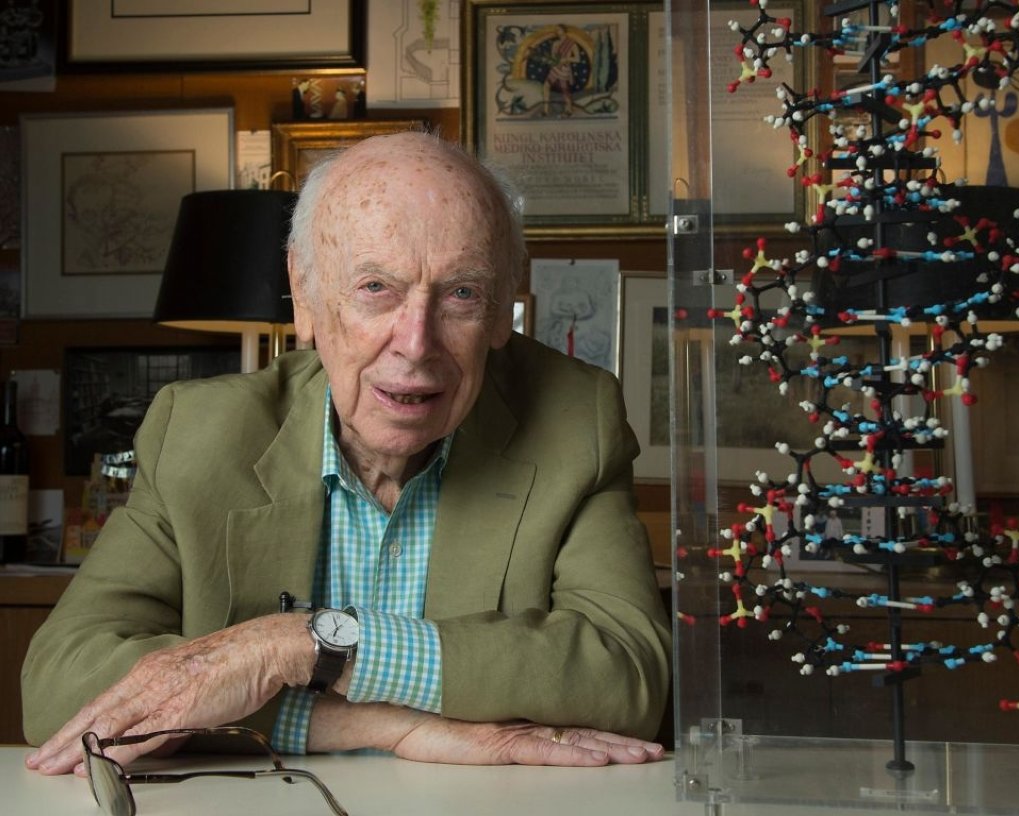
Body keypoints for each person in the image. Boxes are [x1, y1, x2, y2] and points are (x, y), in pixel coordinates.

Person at [22, 132, 670, 775]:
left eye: (462, 294)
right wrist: (388, 729)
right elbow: (57, 688)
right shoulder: (197, 431)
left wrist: (299, 645)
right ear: (305, 297)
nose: (415, 344)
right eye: (375, 288)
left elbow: (629, 681)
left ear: (503, 311)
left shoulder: (574, 419)